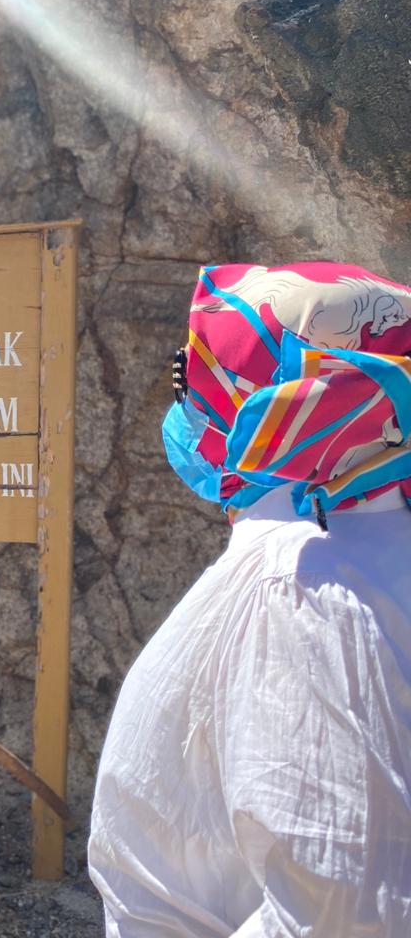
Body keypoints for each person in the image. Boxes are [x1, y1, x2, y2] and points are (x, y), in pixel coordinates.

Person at [88, 262, 411, 936]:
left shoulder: (299, 587)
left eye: (191, 375)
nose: (180, 404)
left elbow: (341, 912)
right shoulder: (365, 557)